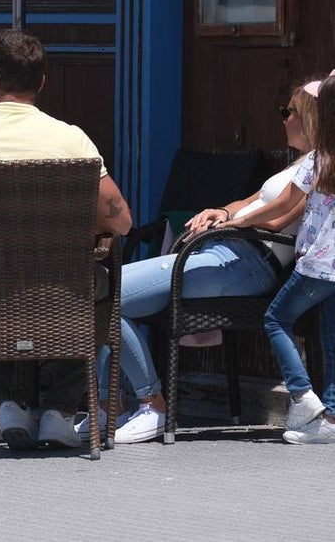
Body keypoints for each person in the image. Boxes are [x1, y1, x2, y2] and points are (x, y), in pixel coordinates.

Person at [0, 28, 133, 451]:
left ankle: (9, 406)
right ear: (41, 83)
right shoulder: (71, 140)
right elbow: (122, 221)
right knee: (95, 285)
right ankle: (60, 411)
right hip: (60, 290)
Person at [86, 74, 321, 445]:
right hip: (225, 251)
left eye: (287, 112)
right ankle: (106, 406)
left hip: (249, 261)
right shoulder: (296, 165)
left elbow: (280, 218)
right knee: (108, 296)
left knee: (108, 293)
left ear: (309, 118)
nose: (283, 118)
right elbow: (249, 201)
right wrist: (221, 212)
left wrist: (233, 224)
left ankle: (151, 405)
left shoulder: (320, 167)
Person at [219, 69, 335, 445]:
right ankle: (330, 419)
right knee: (331, 337)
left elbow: (284, 204)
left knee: (276, 318)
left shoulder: (321, 158)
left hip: (320, 263)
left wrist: (239, 221)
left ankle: (302, 395)